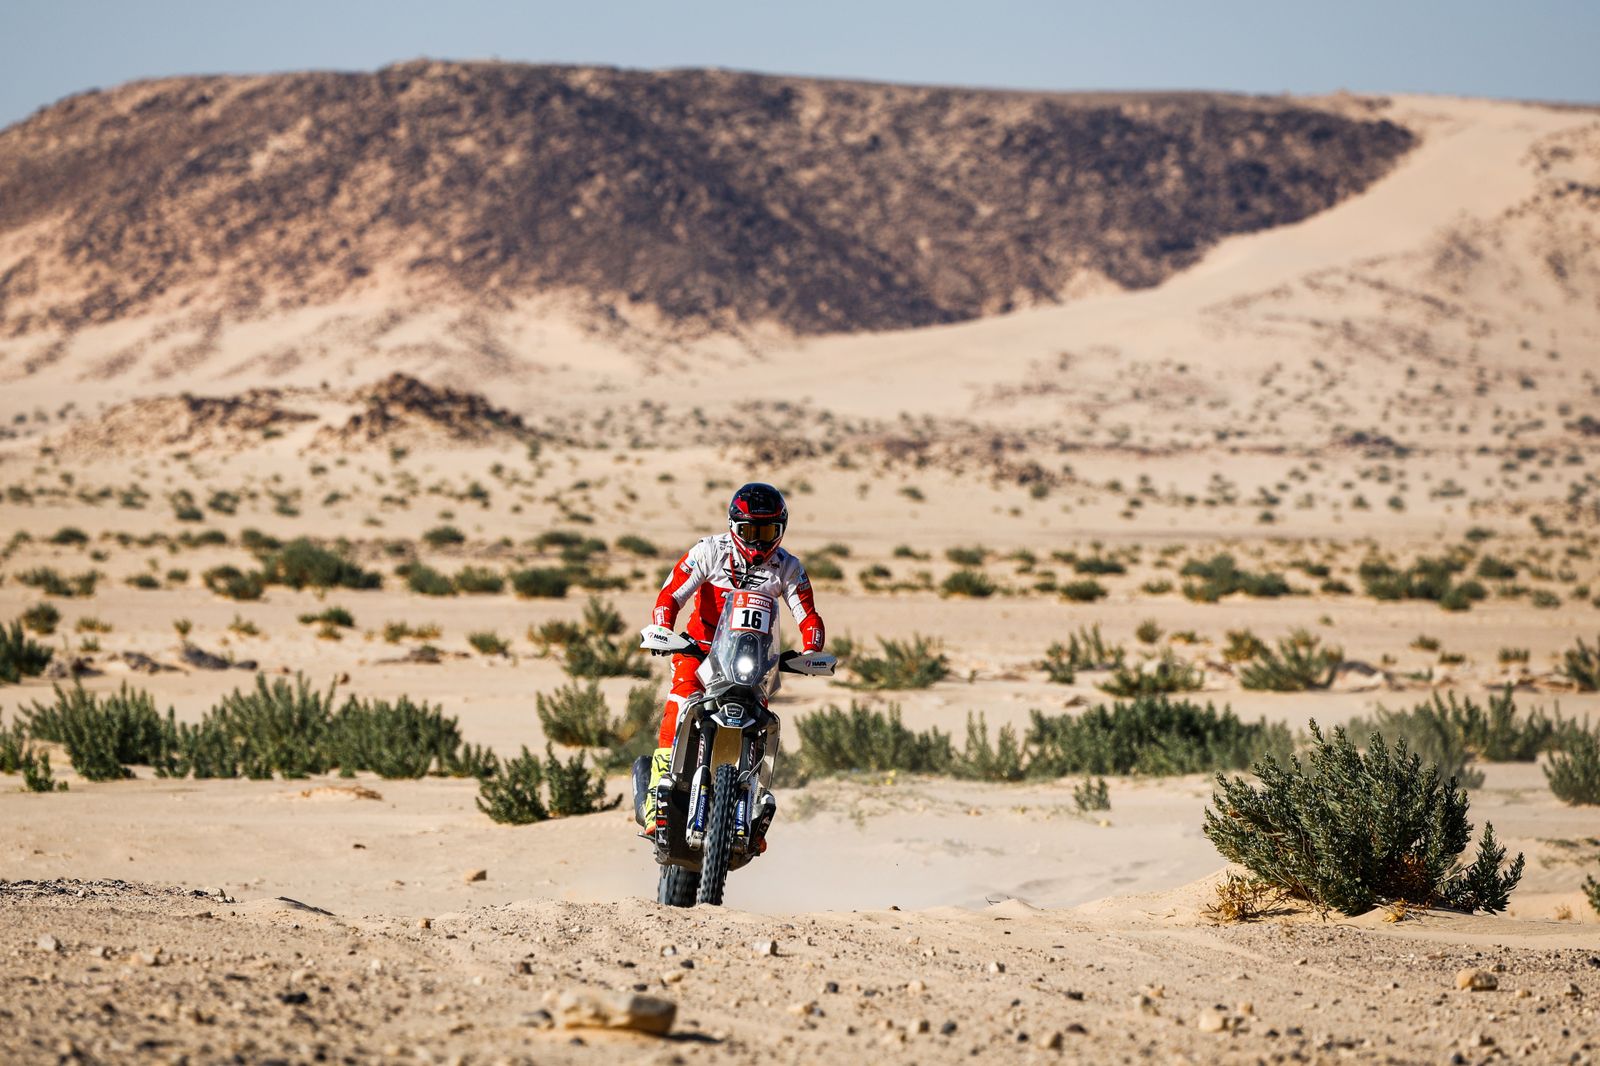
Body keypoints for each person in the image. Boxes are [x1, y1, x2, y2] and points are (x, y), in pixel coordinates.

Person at [637, 482, 826, 827]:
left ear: (780, 531)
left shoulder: (787, 567)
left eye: (767, 531)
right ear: (732, 527)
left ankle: (754, 804)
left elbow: (808, 615)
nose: (757, 541)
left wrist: (811, 649)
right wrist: (663, 628)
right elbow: (670, 596)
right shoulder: (709, 551)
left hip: (755, 661)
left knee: (764, 721)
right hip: (701, 649)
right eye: (748, 531)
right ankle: (655, 797)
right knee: (679, 703)